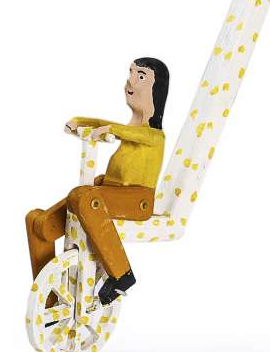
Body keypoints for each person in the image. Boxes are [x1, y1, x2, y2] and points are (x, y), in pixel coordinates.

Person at [24, 57, 169, 305]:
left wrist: (110, 130)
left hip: (137, 200)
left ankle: (122, 274)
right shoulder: (131, 131)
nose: (130, 81)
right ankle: (49, 298)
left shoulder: (155, 136)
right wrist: (81, 122)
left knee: (83, 196)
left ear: (156, 90)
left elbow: (128, 132)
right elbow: (112, 126)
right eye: (131, 73)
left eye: (141, 76)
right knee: (39, 222)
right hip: (109, 190)